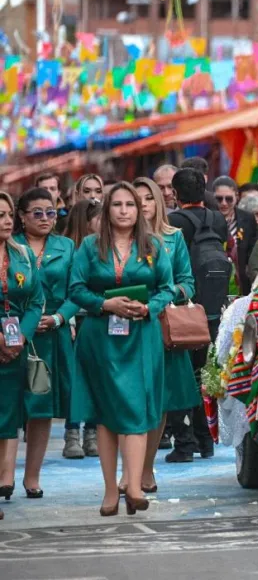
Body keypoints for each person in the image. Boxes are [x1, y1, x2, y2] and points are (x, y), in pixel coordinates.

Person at [68, 182, 174, 517]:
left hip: (141, 336)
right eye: (118, 204)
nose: (125, 210)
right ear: (107, 209)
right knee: (107, 415)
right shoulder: (88, 246)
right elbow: (75, 288)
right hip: (101, 336)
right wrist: (104, 303)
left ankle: (134, 486)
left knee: (137, 409)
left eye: (131, 204)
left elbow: (168, 288)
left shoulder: (154, 245)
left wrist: (148, 309)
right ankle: (111, 489)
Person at [0, 189, 77, 498]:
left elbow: (75, 290)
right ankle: (6, 475)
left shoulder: (64, 247)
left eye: (51, 212)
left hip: (46, 338)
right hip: (12, 336)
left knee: (41, 407)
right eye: (38, 213)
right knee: (9, 407)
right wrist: (11, 337)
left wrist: (57, 318)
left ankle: (31, 477)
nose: (46, 219)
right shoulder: (18, 247)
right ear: (23, 216)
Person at [131, 178, 200, 482]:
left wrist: (166, 294)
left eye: (149, 197)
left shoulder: (174, 238)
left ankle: (145, 469)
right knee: (130, 399)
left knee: (159, 402)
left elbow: (188, 282)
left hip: (162, 329)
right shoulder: (114, 240)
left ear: (159, 201)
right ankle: (131, 469)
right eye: (137, 198)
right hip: (125, 326)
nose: (143, 203)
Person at [167, 169, 231, 462]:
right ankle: (206, 440)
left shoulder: (173, 222)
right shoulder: (217, 218)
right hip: (214, 310)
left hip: (185, 310)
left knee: (183, 375)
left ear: (175, 193)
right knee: (203, 375)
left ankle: (187, 441)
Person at [0, 191, 46, 509]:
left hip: (16, 342)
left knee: (11, 409)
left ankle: (6, 478)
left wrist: (21, 337)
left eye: (7, 214)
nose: (5, 220)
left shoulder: (22, 252)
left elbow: (37, 299)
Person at [61, 198, 102, 458]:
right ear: (87, 222)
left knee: (99, 379)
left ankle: (92, 433)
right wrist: (70, 320)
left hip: (103, 318)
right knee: (76, 380)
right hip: (79, 319)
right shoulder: (70, 249)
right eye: (100, 218)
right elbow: (70, 291)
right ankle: (72, 433)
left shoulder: (111, 247)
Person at [213, 176, 258, 297]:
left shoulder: (248, 219)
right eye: (219, 199)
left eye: (229, 199)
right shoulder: (207, 219)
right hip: (215, 280)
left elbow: (253, 252)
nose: (224, 203)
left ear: (237, 197)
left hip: (243, 284)